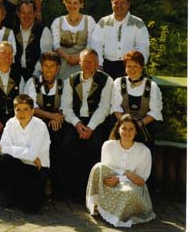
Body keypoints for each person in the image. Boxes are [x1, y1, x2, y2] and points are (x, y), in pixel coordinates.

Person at [60, 48, 113, 198]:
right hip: (75, 121)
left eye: (91, 61)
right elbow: (66, 107)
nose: (88, 64)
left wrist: (90, 127)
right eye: (85, 61)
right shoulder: (71, 79)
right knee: (66, 145)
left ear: (97, 63)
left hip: (96, 121)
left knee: (95, 146)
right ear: (79, 62)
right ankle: (66, 190)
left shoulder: (106, 80)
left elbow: (104, 107)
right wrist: (77, 124)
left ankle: (89, 191)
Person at [86, 115, 155, 227]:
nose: (127, 132)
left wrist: (120, 178)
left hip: (132, 186)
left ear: (136, 132)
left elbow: (140, 180)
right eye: (124, 128)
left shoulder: (144, 151)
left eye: (131, 129)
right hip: (109, 183)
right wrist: (127, 173)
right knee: (98, 167)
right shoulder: (108, 146)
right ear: (118, 129)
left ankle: (118, 214)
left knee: (128, 193)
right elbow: (107, 168)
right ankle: (97, 205)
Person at [0, 94, 50, 213]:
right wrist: (27, 154)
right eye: (18, 110)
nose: (22, 113)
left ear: (33, 111)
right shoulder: (11, 123)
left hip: (37, 168)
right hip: (18, 165)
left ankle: (28, 194)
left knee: (31, 209)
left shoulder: (40, 126)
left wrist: (30, 156)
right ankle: (11, 196)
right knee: (5, 159)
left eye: (26, 109)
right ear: (14, 110)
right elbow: (3, 148)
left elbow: (3, 148)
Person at [25, 51, 69, 198]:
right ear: (41, 67)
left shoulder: (65, 84)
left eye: (52, 66)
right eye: (46, 66)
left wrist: (57, 118)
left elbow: (65, 107)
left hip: (56, 124)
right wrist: (51, 116)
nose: (49, 70)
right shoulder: (32, 83)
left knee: (57, 139)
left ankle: (51, 180)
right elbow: (31, 109)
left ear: (58, 68)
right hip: (36, 123)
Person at [91, 0, 150, 79]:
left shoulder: (138, 23)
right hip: (106, 66)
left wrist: (137, 66)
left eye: (122, 3)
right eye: (116, 3)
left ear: (128, 4)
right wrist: (98, 65)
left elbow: (143, 47)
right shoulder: (103, 22)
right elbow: (96, 44)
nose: (119, 6)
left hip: (130, 67)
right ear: (111, 3)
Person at [110, 51, 163, 145]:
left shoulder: (151, 86)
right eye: (129, 66)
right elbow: (115, 108)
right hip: (122, 127)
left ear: (142, 67)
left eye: (135, 66)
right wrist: (126, 127)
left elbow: (155, 112)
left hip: (143, 128)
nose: (132, 69)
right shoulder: (118, 83)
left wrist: (137, 126)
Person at [52, 0, 96, 79]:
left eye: (75, 3)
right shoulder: (58, 22)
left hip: (84, 62)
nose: (72, 6)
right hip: (64, 62)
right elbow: (55, 45)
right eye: (69, 2)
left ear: (81, 4)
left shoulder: (89, 20)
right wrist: (68, 58)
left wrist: (78, 57)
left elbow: (91, 43)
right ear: (65, 4)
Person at [12, 2, 52, 80]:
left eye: (29, 13)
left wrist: (35, 75)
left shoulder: (43, 30)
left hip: (37, 74)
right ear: (18, 14)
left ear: (35, 14)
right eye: (23, 13)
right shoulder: (13, 31)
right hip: (16, 74)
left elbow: (45, 55)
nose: (26, 16)